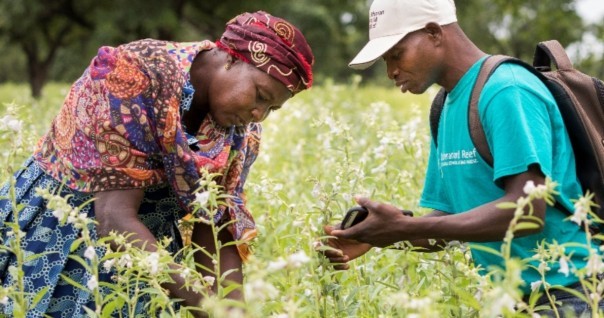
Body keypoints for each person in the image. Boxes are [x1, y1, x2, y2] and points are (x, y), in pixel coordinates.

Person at [0, 11, 313, 316]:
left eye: (271, 108)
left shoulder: (240, 131)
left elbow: (216, 226)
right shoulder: (134, 72)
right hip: (65, 228)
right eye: (259, 95)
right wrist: (209, 306)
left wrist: (233, 310)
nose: (259, 114)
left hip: (149, 256)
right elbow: (113, 219)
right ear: (231, 58)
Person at [322, 0, 603, 316]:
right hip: (508, 301)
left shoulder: (505, 89)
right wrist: (379, 236)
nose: (391, 71)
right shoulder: (445, 107)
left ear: (433, 32)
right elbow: (448, 223)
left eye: (396, 54)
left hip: (569, 295)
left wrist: (403, 229)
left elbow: (526, 212)